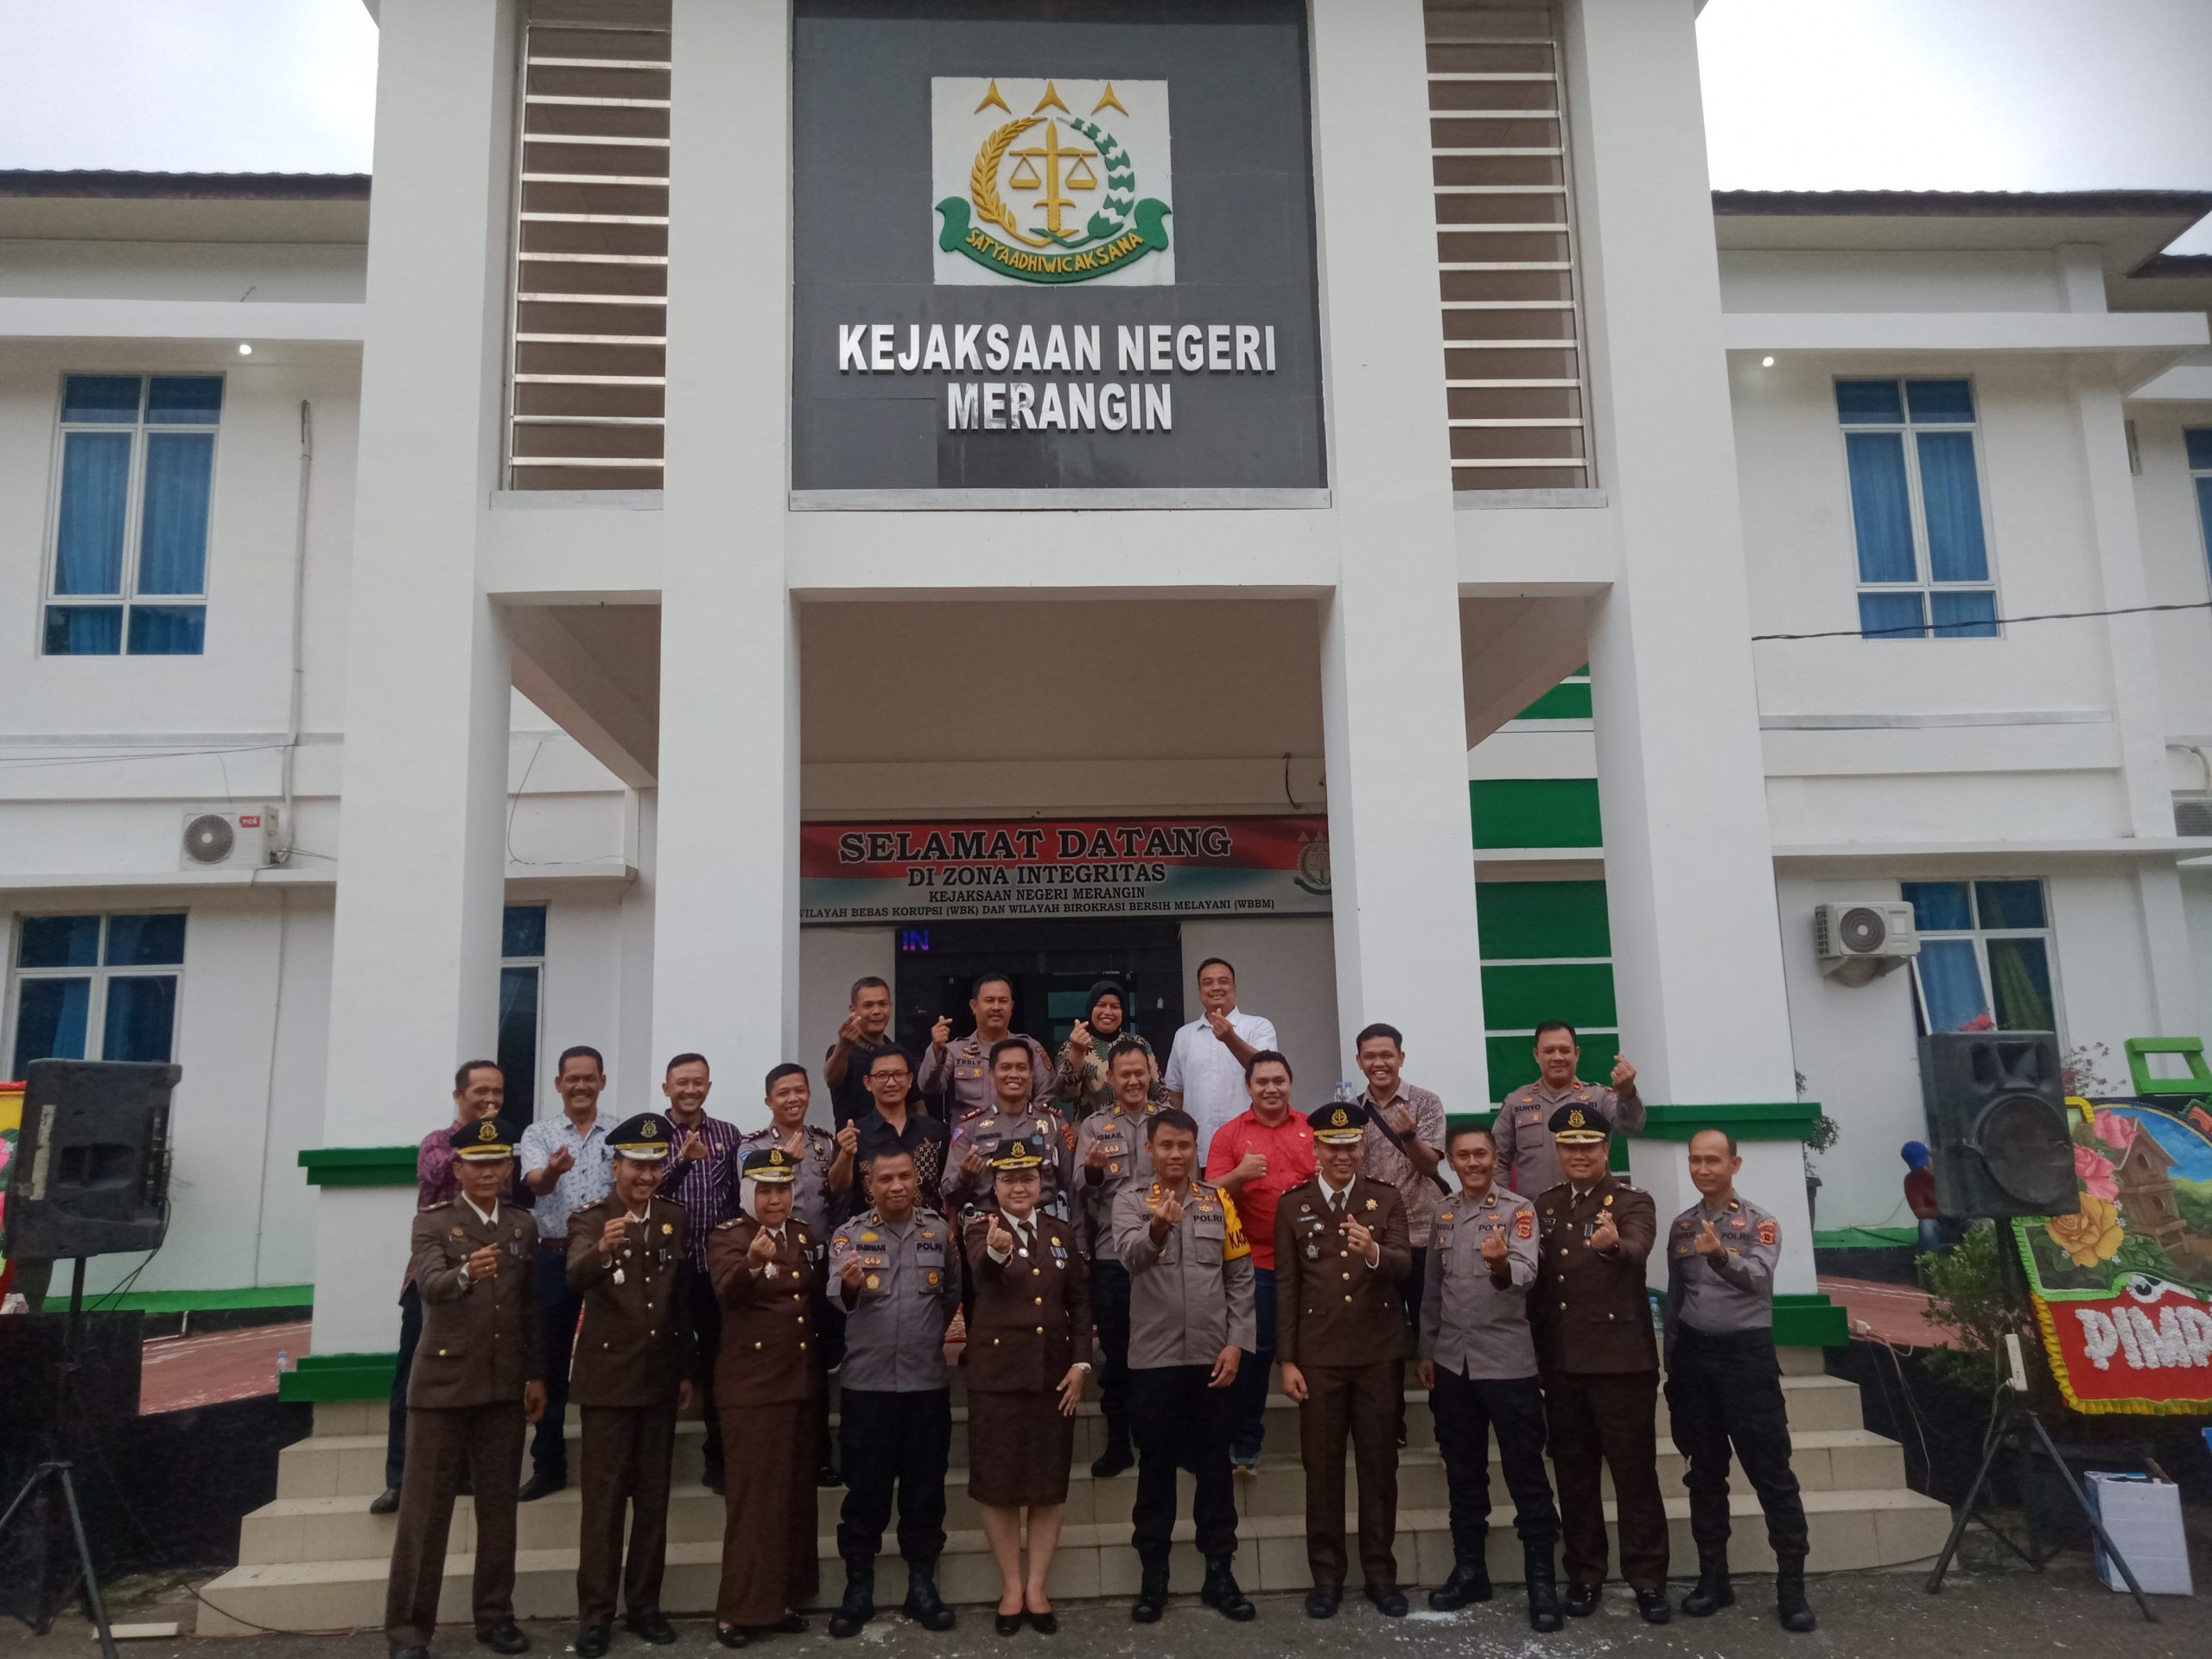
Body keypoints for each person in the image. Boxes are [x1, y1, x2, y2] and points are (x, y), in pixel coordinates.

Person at [383, 1117, 543, 1659]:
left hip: (502, 1386)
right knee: (425, 1517)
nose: (488, 1172)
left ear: (508, 1169)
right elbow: (429, 1285)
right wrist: (468, 1273)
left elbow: (527, 1310)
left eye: (497, 1163)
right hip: (443, 1388)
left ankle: (496, 1618)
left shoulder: (523, 1225)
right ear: (457, 1169)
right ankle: (408, 1633)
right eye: (477, 1163)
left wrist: (535, 1374)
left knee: (500, 1511)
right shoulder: (431, 1223)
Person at [1665, 1130, 1816, 1633]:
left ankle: (1791, 1587)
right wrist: (1673, 1366)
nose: (1702, 1168)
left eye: (1713, 1160)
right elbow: (1675, 1297)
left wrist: (1718, 1256)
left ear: (1735, 1163)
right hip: (1695, 1362)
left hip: (1746, 1360)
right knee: (1704, 1473)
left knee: (1771, 1473)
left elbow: (1757, 1278)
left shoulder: (1760, 1222)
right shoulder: (1683, 1224)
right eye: (1695, 1160)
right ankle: (1714, 1579)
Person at [1112, 1109, 1257, 1625]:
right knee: (1155, 1470)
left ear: (1195, 1148)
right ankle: (1155, 1577)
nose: (1176, 1154)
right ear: (1149, 1149)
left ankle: (1221, 1571)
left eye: (1185, 1145)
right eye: (1166, 1145)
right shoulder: (1129, 1200)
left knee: (1215, 1468)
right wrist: (1157, 1226)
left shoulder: (1218, 1201)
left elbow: (1240, 1276)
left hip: (1212, 1359)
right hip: (1154, 1362)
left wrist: (1238, 1342)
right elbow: (1129, 1255)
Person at [1418, 1123, 1561, 1630]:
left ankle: (1541, 1580)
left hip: (1507, 1364)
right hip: (1454, 1363)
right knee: (1463, 1472)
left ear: (1495, 1157)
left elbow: (1523, 1274)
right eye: (1463, 1156)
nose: (1473, 1163)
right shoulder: (1444, 1212)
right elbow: (1433, 1289)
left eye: (1481, 1154)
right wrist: (1427, 1348)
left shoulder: (1519, 1211)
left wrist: (1500, 1266)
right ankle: (1471, 1571)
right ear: (1451, 1163)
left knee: (1526, 1472)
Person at [1274, 1102, 1413, 1619]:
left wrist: (1373, 1251)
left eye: (1351, 1145)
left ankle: (1381, 1574)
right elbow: (1287, 1287)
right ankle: (1327, 1577)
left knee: (1380, 1466)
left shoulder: (1386, 1199)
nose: (1342, 1155)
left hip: (1377, 1355)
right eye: (1332, 1146)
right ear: (1317, 1149)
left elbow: (1403, 1266)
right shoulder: (1294, 1205)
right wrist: (1287, 1360)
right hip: (1320, 1359)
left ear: (1362, 1148)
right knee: (1323, 1470)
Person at [1532, 1103, 1669, 1624]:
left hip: (1620, 1363)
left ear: (1605, 1150)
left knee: (1635, 1476)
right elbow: (1538, 1285)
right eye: (1569, 1147)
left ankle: (1648, 1580)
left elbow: (1636, 1248)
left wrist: (1612, 1248)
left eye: (1588, 1146)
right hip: (1564, 1362)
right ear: (1559, 1152)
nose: (1579, 1154)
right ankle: (1585, 1574)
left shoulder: (1632, 1201)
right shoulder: (1544, 1206)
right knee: (1575, 1475)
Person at [566, 1113, 692, 1656]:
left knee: (653, 1503)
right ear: (615, 1165)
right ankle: (595, 1615)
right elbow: (574, 1274)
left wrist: (686, 1368)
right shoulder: (592, 1219)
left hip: (659, 1378)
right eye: (637, 1164)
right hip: (608, 1382)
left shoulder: (671, 1216)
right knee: (604, 1505)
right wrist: (603, 1250)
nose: (646, 1174)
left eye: (655, 1164)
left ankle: (644, 1606)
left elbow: (679, 1299)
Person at [824, 1148, 962, 1638]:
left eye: (905, 1176)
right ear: (870, 1185)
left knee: (925, 1492)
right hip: (868, 1388)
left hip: (925, 1386)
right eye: (886, 1178)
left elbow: (950, 1297)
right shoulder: (849, 1236)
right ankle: (857, 1588)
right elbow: (837, 1299)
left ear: (916, 1181)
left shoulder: (940, 1233)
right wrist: (856, 1288)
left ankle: (921, 1586)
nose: (897, 1185)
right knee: (865, 1493)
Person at [962, 1137, 1091, 1635]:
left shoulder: (1060, 1232)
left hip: (1053, 1376)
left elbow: (1079, 1304)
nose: (1020, 1187)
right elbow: (981, 1273)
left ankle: (1037, 1586)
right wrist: (997, 1252)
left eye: (1028, 1179)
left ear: (1041, 1184)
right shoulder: (982, 1229)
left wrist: (1081, 1364)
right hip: (997, 1377)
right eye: (1010, 1179)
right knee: (997, 1487)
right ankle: (1011, 1586)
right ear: (995, 1186)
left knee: (1046, 1486)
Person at [373, 1059, 509, 1516]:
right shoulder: (438, 1141)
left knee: (477, 1377)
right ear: (459, 1095)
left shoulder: (508, 1146)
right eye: (481, 1092)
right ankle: (399, 1479)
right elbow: (441, 1174)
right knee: (413, 1378)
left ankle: (464, 1474)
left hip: (488, 1277)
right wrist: (481, 1141)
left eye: (498, 1093)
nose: (491, 1100)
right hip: (430, 1279)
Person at [706, 1145, 823, 1648]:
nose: (776, 1199)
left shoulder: (800, 1234)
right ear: (749, 1192)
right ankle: (737, 1610)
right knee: (754, 1502)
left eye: (782, 1188)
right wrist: (752, 1263)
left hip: (797, 1381)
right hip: (752, 1386)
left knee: (794, 1498)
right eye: (766, 1190)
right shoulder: (729, 1236)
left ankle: (781, 1600)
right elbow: (725, 1290)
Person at [738, 1063, 857, 1484]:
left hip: (820, 1260)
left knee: (827, 1359)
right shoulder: (750, 1146)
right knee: (788, 1355)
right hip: (775, 1259)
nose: (793, 1099)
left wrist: (845, 1155)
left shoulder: (823, 1143)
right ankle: (786, 1453)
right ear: (769, 1100)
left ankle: (824, 1455)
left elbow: (839, 1191)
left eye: (800, 1091)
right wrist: (783, 1162)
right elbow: (749, 1195)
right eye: (784, 1093)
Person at [1204, 1050, 1316, 1471]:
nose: (1271, 1088)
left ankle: (1319, 1439)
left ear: (1290, 1083)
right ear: (1248, 1087)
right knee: (1254, 1354)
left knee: (1316, 1350)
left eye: (1279, 1081)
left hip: (1312, 1262)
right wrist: (1239, 1175)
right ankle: (1246, 1442)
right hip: (1255, 1263)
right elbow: (1207, 1196)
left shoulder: (1312, 1129)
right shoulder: (1229, 1135)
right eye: (1262, 1082)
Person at [517, 1045, 616, 1500]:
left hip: (607, 1256)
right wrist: (554, 1172)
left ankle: (609, 1463)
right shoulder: (539, 1133)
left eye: (589, 1077)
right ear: (558, 1084)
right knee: (550, 1361)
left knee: (610, 1355)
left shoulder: (618, 1132)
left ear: (602, 1081)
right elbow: (535, 1182)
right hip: (553, 1258)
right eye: (572, 1078)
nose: (581, 1085)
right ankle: (548, 1464)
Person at [1351, 1022, 1446, 1445]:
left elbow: (1429, 1166)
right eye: (1370, 1056)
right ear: (1359, 1062)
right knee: (1383, 1339)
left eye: (1386, 1054)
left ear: (1401, 1057)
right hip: (1378, 1244)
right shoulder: (1351, 1110)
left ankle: (1448, 1427)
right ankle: (1393, 1427)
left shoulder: (1426, 1102)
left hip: (1425, 1237)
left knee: (1433, 1333)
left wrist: (1407, 1135)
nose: (1379, 1063)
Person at [655, 1052, 747, 1493]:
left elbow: (737, 1199)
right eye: (682, 1082)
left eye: (698, 1082)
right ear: (666, 1087)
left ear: (708, 1087)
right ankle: (653, 1460)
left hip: (713, 1269)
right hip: (664, 1269)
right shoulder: (651, 1134)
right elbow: (646, 1192)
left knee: (717, 1362)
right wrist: (684, 1161)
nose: (690, 1090)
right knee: (663, 1359)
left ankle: (720, 1459)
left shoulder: (728, 1134)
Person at [1071, 1037, 1160, 1478]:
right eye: (1123, 1073)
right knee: (1118, 1355)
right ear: (1110, 1078)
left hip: (1165, 1259)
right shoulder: (1093, 1127)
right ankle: (1118, 1442)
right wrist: (1090, 1170)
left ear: (1152, 1073)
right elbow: (1079, 1190)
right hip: (1113, 1258)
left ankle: (1163, 1443)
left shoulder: (1171, 1123)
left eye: (1139, 1071)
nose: (1132, 1079)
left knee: (1164, 1356)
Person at [1493, 1021, 1642, 1198]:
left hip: (1591, 1210)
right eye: (1549, 1051)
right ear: (1536, 1055)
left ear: (1576, 1053)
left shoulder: (1599, 1097)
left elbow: (1631, 1127)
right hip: (1534, 1213)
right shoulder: (1516, 1102)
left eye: (1565, 1050)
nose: (1557, 1057)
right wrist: (1506, 1204)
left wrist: (1626, 1091)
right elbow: (1496, 1160)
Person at [940, 1041, 1072, 1222]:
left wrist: (1079, 1245)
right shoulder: (969, 1128)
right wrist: (964, 1178)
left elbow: (1074, 1190)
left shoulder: (1053, 1124)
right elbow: (948, 1194)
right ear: (992, 1074)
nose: (1014, 1074)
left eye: (1021, 1068)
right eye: (1005, 1067)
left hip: (1045, 1230)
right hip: (987, 1230)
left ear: (1031, 1075)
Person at [1162, 958, 1278, 1155]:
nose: (1216, 987)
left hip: (1250, 1147)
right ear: (1199, 992)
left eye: (1223, 981)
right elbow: (1175, 1093)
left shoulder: (1259, 1026)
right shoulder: (1184, 1035)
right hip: (1199, 1148)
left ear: (1235, 988)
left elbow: (1267, 1071)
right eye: (1208, 983)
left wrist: (1230, 1038)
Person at [919, 974, 1052, 1124]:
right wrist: (937, 1051)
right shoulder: (954, 1051)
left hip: (1018, 1141)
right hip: (969, 1142)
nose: (996, 1007)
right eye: (989, 1000)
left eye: (1003, 1001)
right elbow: (928, 1087)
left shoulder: (1031, 1048)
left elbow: (1046, 1098)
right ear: (974, 1006)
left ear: (1011, 1007)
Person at [849, 1047, 950, 1209]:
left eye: (898, 1074)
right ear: (868, 1082)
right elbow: (840, 1191)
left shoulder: (935, 1131)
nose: (891, 1082)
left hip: (928, 1230)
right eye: (882, 1075)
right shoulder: (855, 1134)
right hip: (871, 1231)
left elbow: (948, 1188)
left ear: (910, 1080)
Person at [1053, 979, 1160, 1123]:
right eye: (1101, 1005)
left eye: (1115, 1006)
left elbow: (1160, 1094)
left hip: (1140, 1131)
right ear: (1090, 1008)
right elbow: (1064, 1094)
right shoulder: (1074, 1045)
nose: (1108, 1012)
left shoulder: (1139, 1044)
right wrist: (1077, 1052)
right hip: (1093, 1136)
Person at [824, 976, 906, 1129]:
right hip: (855, 1145)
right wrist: (844, 1044)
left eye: (882, 1004)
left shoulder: (899, 1054)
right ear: (853, 1010)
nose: (877, 1011)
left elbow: (916, 1104)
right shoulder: (842, 1051)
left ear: (890, 1006)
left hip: (896, 1145)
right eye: (868, 1005)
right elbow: (832, 1080)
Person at [1901, 1140, 1960, 1253]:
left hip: (1963, 1220)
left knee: (1982, 1223)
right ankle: (1931, 1264)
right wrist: (1947, 1208)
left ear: (1931, 1156)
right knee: (1926, 1225)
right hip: (1939, 1224)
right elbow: (1920, 1212)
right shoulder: (1911, 1180)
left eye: (1926, 1164)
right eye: (1919, 1168)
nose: (1925, 1169)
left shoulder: (1950, 1168)